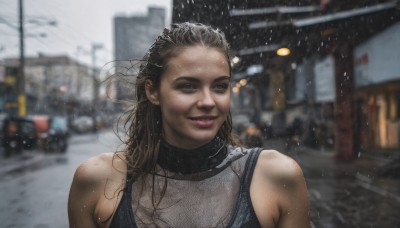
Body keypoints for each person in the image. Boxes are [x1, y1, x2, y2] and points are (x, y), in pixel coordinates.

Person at [68, 22, 310, 228]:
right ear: (152, 91)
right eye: (188, 86)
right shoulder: (97, 179)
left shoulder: (277, 176)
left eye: (219, 86)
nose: (208, 101)